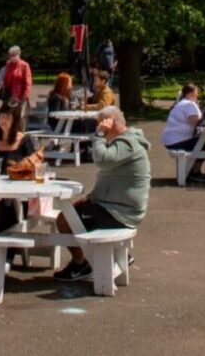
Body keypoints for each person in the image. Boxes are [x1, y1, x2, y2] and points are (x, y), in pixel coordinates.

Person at [53, 106, 150, 282]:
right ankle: (116, 254)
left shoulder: (127, 143)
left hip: (120, 212)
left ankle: (80, 263)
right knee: (77, 212)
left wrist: (99, 135)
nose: (98, 128)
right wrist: (90, 197)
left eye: (100, 124)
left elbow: (102, 160)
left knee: (65, 219)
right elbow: (109, 180)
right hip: (118, 207)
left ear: (109, 123)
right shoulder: (125, 142)